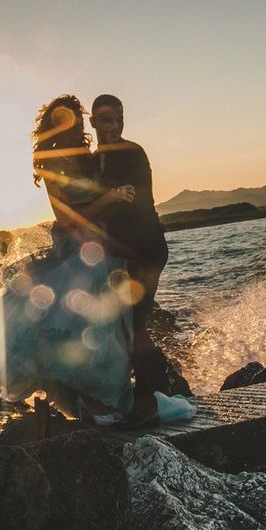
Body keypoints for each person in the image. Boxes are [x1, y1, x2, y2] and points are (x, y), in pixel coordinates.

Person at [0, 94, 195, 426]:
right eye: (62, 121)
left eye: (74, 119)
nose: (70, 127)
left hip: (105, 252)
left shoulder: (94, 158)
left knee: (109, 328)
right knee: (80, 327)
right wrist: (109, 198)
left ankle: (114, 401)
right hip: (79, 252)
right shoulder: (53, 162)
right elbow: (69, 219)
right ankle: (117, 402)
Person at [88, 94, 189, 423]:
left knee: (135, 323)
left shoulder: (131, 153)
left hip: (145, 250)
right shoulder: (94, 160)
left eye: (119, 118)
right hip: (122, 253)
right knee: (127, 323)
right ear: (93, 122)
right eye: (106, 119)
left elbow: (137, 206)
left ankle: (148, 401)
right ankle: (167, 388)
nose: (114, 125)